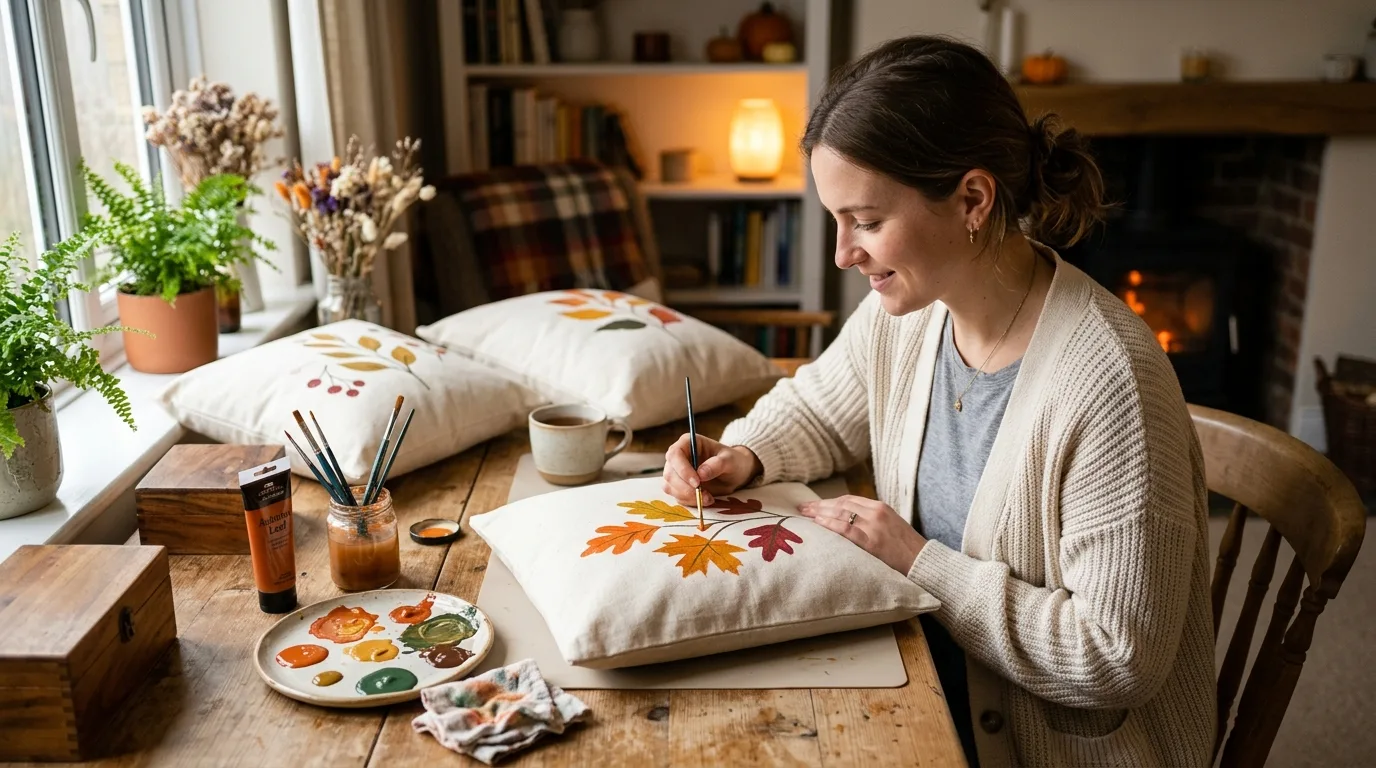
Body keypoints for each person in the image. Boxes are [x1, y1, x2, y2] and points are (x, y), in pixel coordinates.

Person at [662, 35, 1214, 768]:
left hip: (1046, 750)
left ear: (972, 200)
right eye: (836, 220)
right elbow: (822, 408)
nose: (843, 254)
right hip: (924, 680)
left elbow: (1116, 656)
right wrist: (743, 453)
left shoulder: (1110, 384)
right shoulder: (912, 311)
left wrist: (918, 562)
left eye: (866, 221)